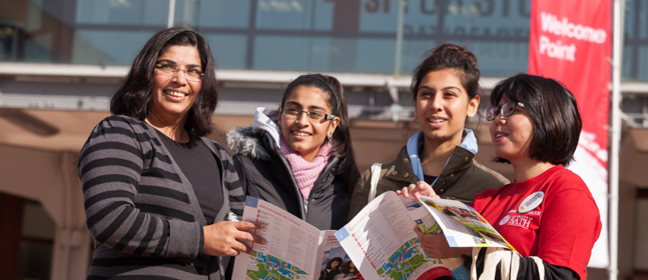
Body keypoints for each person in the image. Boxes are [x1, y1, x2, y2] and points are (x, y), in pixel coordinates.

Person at [77, 27, 264, 279]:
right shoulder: (121, 132)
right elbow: (109, 218)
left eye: (192, 71)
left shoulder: (219, 157)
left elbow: (238, 236)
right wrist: (201, 239)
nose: (180, 79)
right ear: (146, 73)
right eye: (167, 66)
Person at [401, 74, 602, 279]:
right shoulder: (488, 200)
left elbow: (560, 276)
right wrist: (433, 208)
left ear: (548, 116)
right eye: (496, 111)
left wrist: (470, 249)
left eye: (511, 109)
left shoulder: (566, 191)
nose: (498, 118)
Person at [348, 44, 509, 220]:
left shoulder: (495, 190)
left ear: (472, 106)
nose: (435, 105)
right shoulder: (374, 181)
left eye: (449, 95)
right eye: (426, 94)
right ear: (415, 104)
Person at [227, 73, 359, 230]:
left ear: (332, 125)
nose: (302, 121)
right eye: (293, 110)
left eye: (315, 114)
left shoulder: (347, 183)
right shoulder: (245, 166)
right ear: (280, 116)